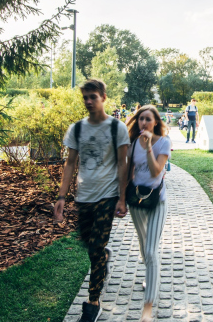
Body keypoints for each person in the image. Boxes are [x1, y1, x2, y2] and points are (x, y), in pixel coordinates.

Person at [53, 79, 130, 322]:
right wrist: (62, 197)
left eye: (93, 97)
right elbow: (70, 164)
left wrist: (122, 198)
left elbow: (122, 164)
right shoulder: (76, 129)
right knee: (89, 244)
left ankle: (93, 301)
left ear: (104, 97)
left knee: (95, 247)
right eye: (85, 97)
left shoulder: (117, 128)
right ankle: (104, 258)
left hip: (107, 196)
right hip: (83, 198)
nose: (88, 101)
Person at [126, 105, 171, 322]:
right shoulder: (133, 143)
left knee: (152, 251)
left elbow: (155, 171)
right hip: (136, 201)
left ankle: (148, 307)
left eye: (148, 119)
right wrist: (120, 200)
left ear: (155, 122)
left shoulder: (164, 142)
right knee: (144, 247)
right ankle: (149, 277)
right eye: (141, 119)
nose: (143, 122)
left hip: (157, 202)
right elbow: (127, 173)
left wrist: (148, 147)